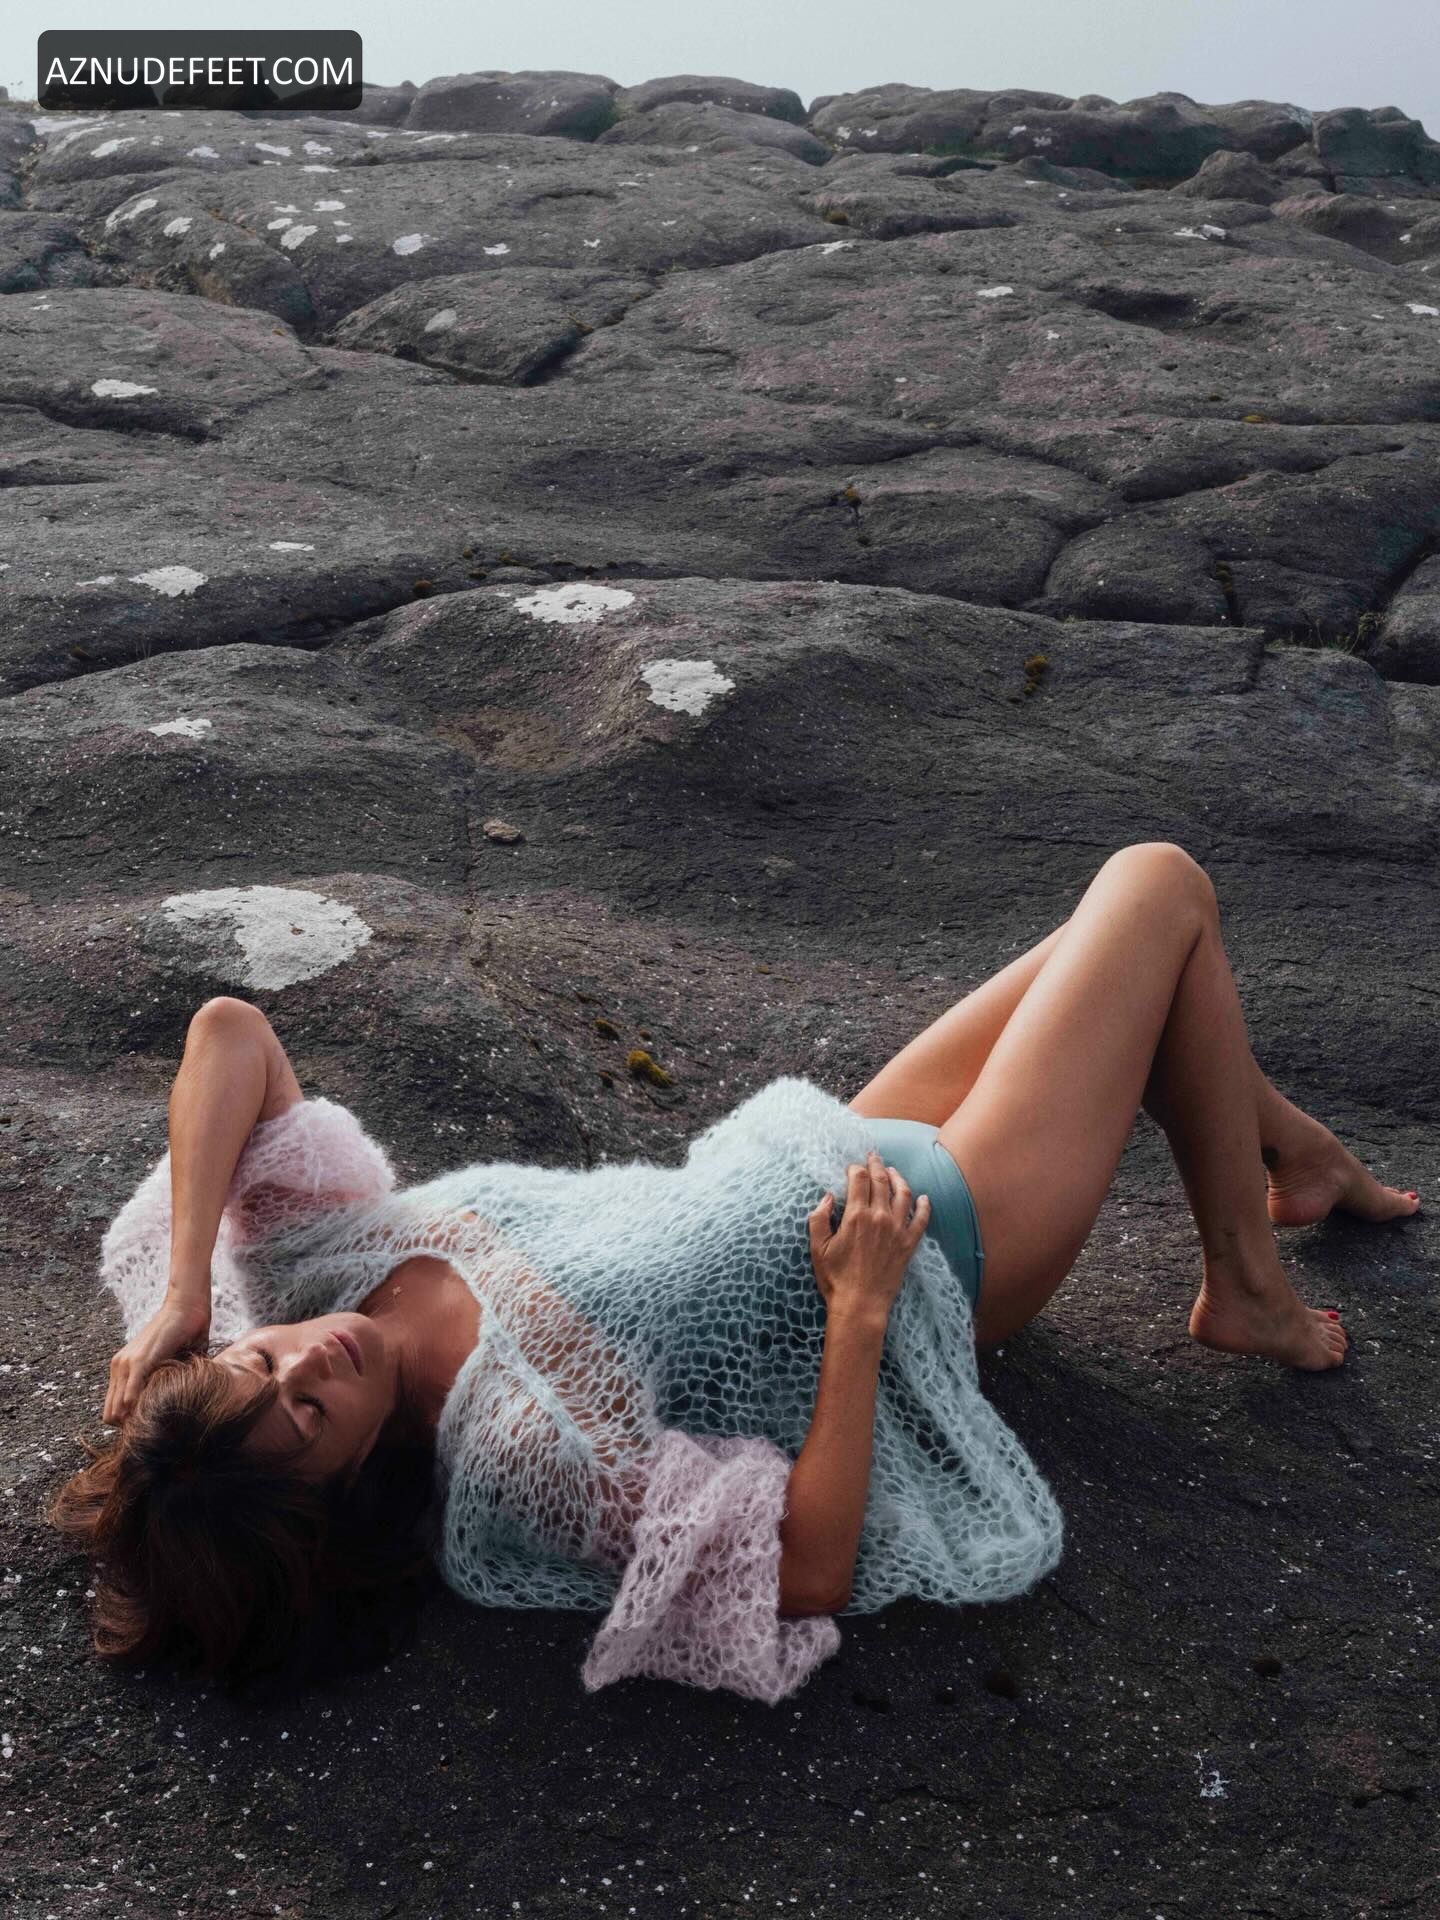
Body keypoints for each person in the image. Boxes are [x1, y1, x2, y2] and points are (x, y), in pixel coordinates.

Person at [47, 842, 1421, 1702]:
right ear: (348, 1486)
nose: (310, 1361)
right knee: (1156, 890)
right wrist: (863, 1314)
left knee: (1121, 969)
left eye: (258, 1364)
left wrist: (186, 1294)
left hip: (830, 1140)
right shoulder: (528, 1451)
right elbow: (805, 1568)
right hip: (942, 1241)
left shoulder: (303, 1273)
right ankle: (1246, 1288)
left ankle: (1300, 1161)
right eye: (305, 1417)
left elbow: (229, 1035)